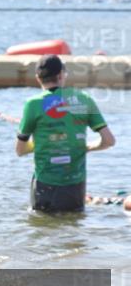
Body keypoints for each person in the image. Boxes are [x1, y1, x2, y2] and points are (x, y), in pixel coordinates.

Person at [16, 55, 115, 213]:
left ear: (38, 78)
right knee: (73, 227)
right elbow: (109, 141)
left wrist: (41, 142)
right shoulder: (84, 99)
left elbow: (20, 151)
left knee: (41, 226)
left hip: (45, 183)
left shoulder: (33, 104)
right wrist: (87, 147)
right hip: (75, 185)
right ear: (61, 75)